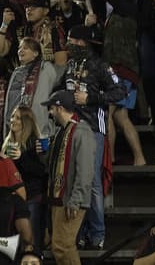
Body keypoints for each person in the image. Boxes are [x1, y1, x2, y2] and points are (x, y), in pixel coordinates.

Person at [43, 90, 95, 265]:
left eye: (51, 108)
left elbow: (86, 170)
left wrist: (76, 199)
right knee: (59, 246)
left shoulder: (82, 131)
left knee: (62, 246)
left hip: (70, 198)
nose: (49, 113)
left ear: (59, 108)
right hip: (59, 197)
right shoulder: (62, 131)